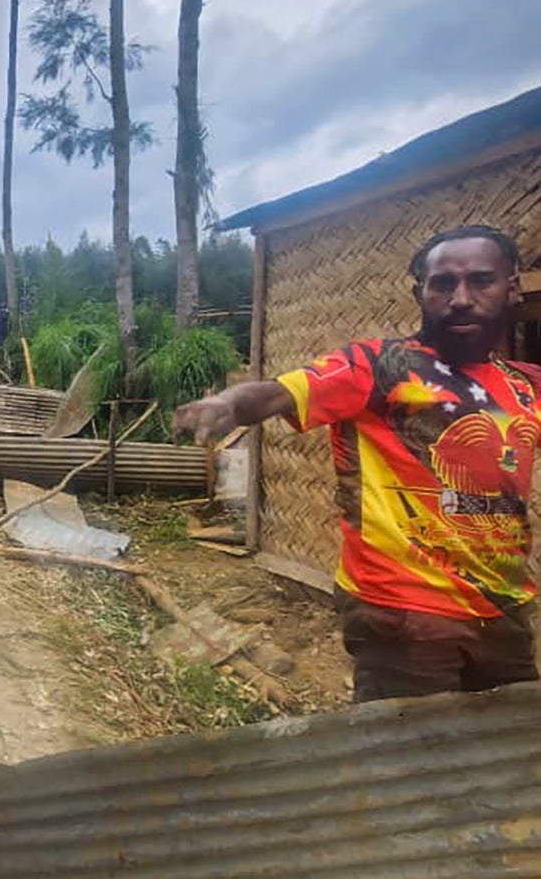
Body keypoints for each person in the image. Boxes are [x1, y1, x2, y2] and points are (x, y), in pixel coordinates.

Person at [174, 226, 541, 703]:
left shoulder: (525, 386)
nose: (461, 299)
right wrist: (227, 404)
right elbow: (279, 392)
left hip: (504, 609)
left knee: (510, 742)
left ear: (512, 288)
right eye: (443, 284)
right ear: (420, 293)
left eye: (481, 281)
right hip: (403, 609)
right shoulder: (376, 366)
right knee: (410, 744)